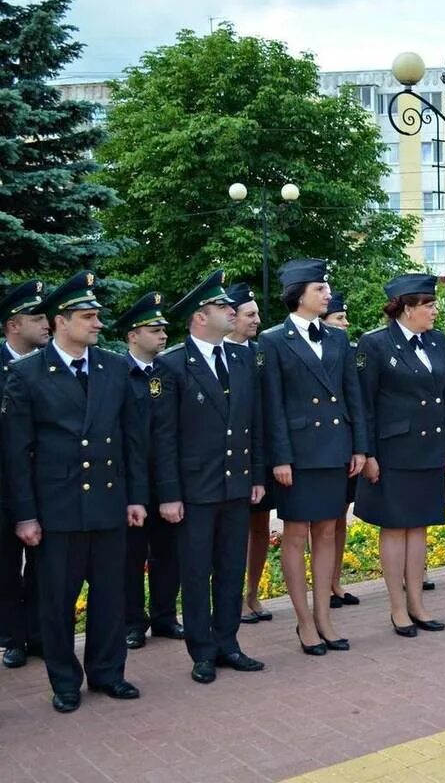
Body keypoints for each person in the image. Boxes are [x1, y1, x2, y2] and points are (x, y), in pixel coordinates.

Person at [2, 271, 148, 713]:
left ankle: (109, 673)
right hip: (58, 508)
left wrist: (136, 497)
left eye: (98, 316)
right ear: (60, 322)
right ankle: (65, 680)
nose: (97, 324)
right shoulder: (28, 374)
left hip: (107, 501)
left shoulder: (114, 367)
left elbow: (132, 439)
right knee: (56, 601)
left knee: (110, 596)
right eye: (88, 316)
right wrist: (25, 516)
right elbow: (16, 452)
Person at [152, 271, 266, 683]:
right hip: (194, 488)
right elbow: (163, 439)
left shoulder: (241, 358)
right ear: (201, 317)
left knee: (231, 566)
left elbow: (254, 424)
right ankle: (201, 650)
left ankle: (228, 643)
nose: (231, 312)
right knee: (197, 571)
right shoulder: (171, 365)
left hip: (236, 482)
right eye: (223, 307)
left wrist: (255, 474)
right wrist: (168, 494)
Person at [259, 259, 367, 655]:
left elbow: (352, 394)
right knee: (296, 533)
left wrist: (359, 447)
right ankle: (304, 621)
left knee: (326, 531)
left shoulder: (337, 339)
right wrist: (280, 458)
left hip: (335, 448)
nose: (327, 295)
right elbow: (272, 405)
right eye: (320, 289)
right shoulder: (272, 341)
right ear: (298, 293)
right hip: (298, 453)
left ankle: (324, 616)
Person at [355, 274, 445, 636]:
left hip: (428, 448)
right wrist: (368, 454)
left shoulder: (437, 342)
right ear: (407, 308)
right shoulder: (375, 344)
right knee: (395, 528)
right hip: (392, 451)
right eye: (428, 305)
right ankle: (397, 607)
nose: (434, 310)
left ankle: (418, 605)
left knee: (419, 528)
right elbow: (364, 404)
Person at [111, 292, 184, 650]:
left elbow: (172, 432)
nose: (162, 335)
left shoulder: (168, 373)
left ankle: (165, 616)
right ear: (132, 335)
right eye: (154, 329)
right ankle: (132, 622)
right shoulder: (115, 373)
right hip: (128, 483)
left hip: (166, 479)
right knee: (131, 555)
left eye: (164, 329)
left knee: (168, 552)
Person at [0, 280, 49, 670]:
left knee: (43, 566)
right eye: (37, 317)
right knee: (5, 566)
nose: (47, 323)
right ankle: (14, 638)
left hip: (45, 483)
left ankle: (38, 635)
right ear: (13, 325)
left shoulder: (51, 364)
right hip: (3, 486)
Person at [223, 284, 275, 624]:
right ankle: (233, 597)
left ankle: (253, 593)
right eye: (250, 314)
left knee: (260, 527)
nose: (257, 320)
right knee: (233, 531)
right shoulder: (216, 353)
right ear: (232, 318)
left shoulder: (261, 353)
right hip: (229, 459)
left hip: (260, 453)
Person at [320, 291, 359, 610]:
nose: (345, 323)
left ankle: (334, 581)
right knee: (321, 522)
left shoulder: (349, 350)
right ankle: (322, 585)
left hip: (343, 445)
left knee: (339, 517)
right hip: (319, 447)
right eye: (339, 318)